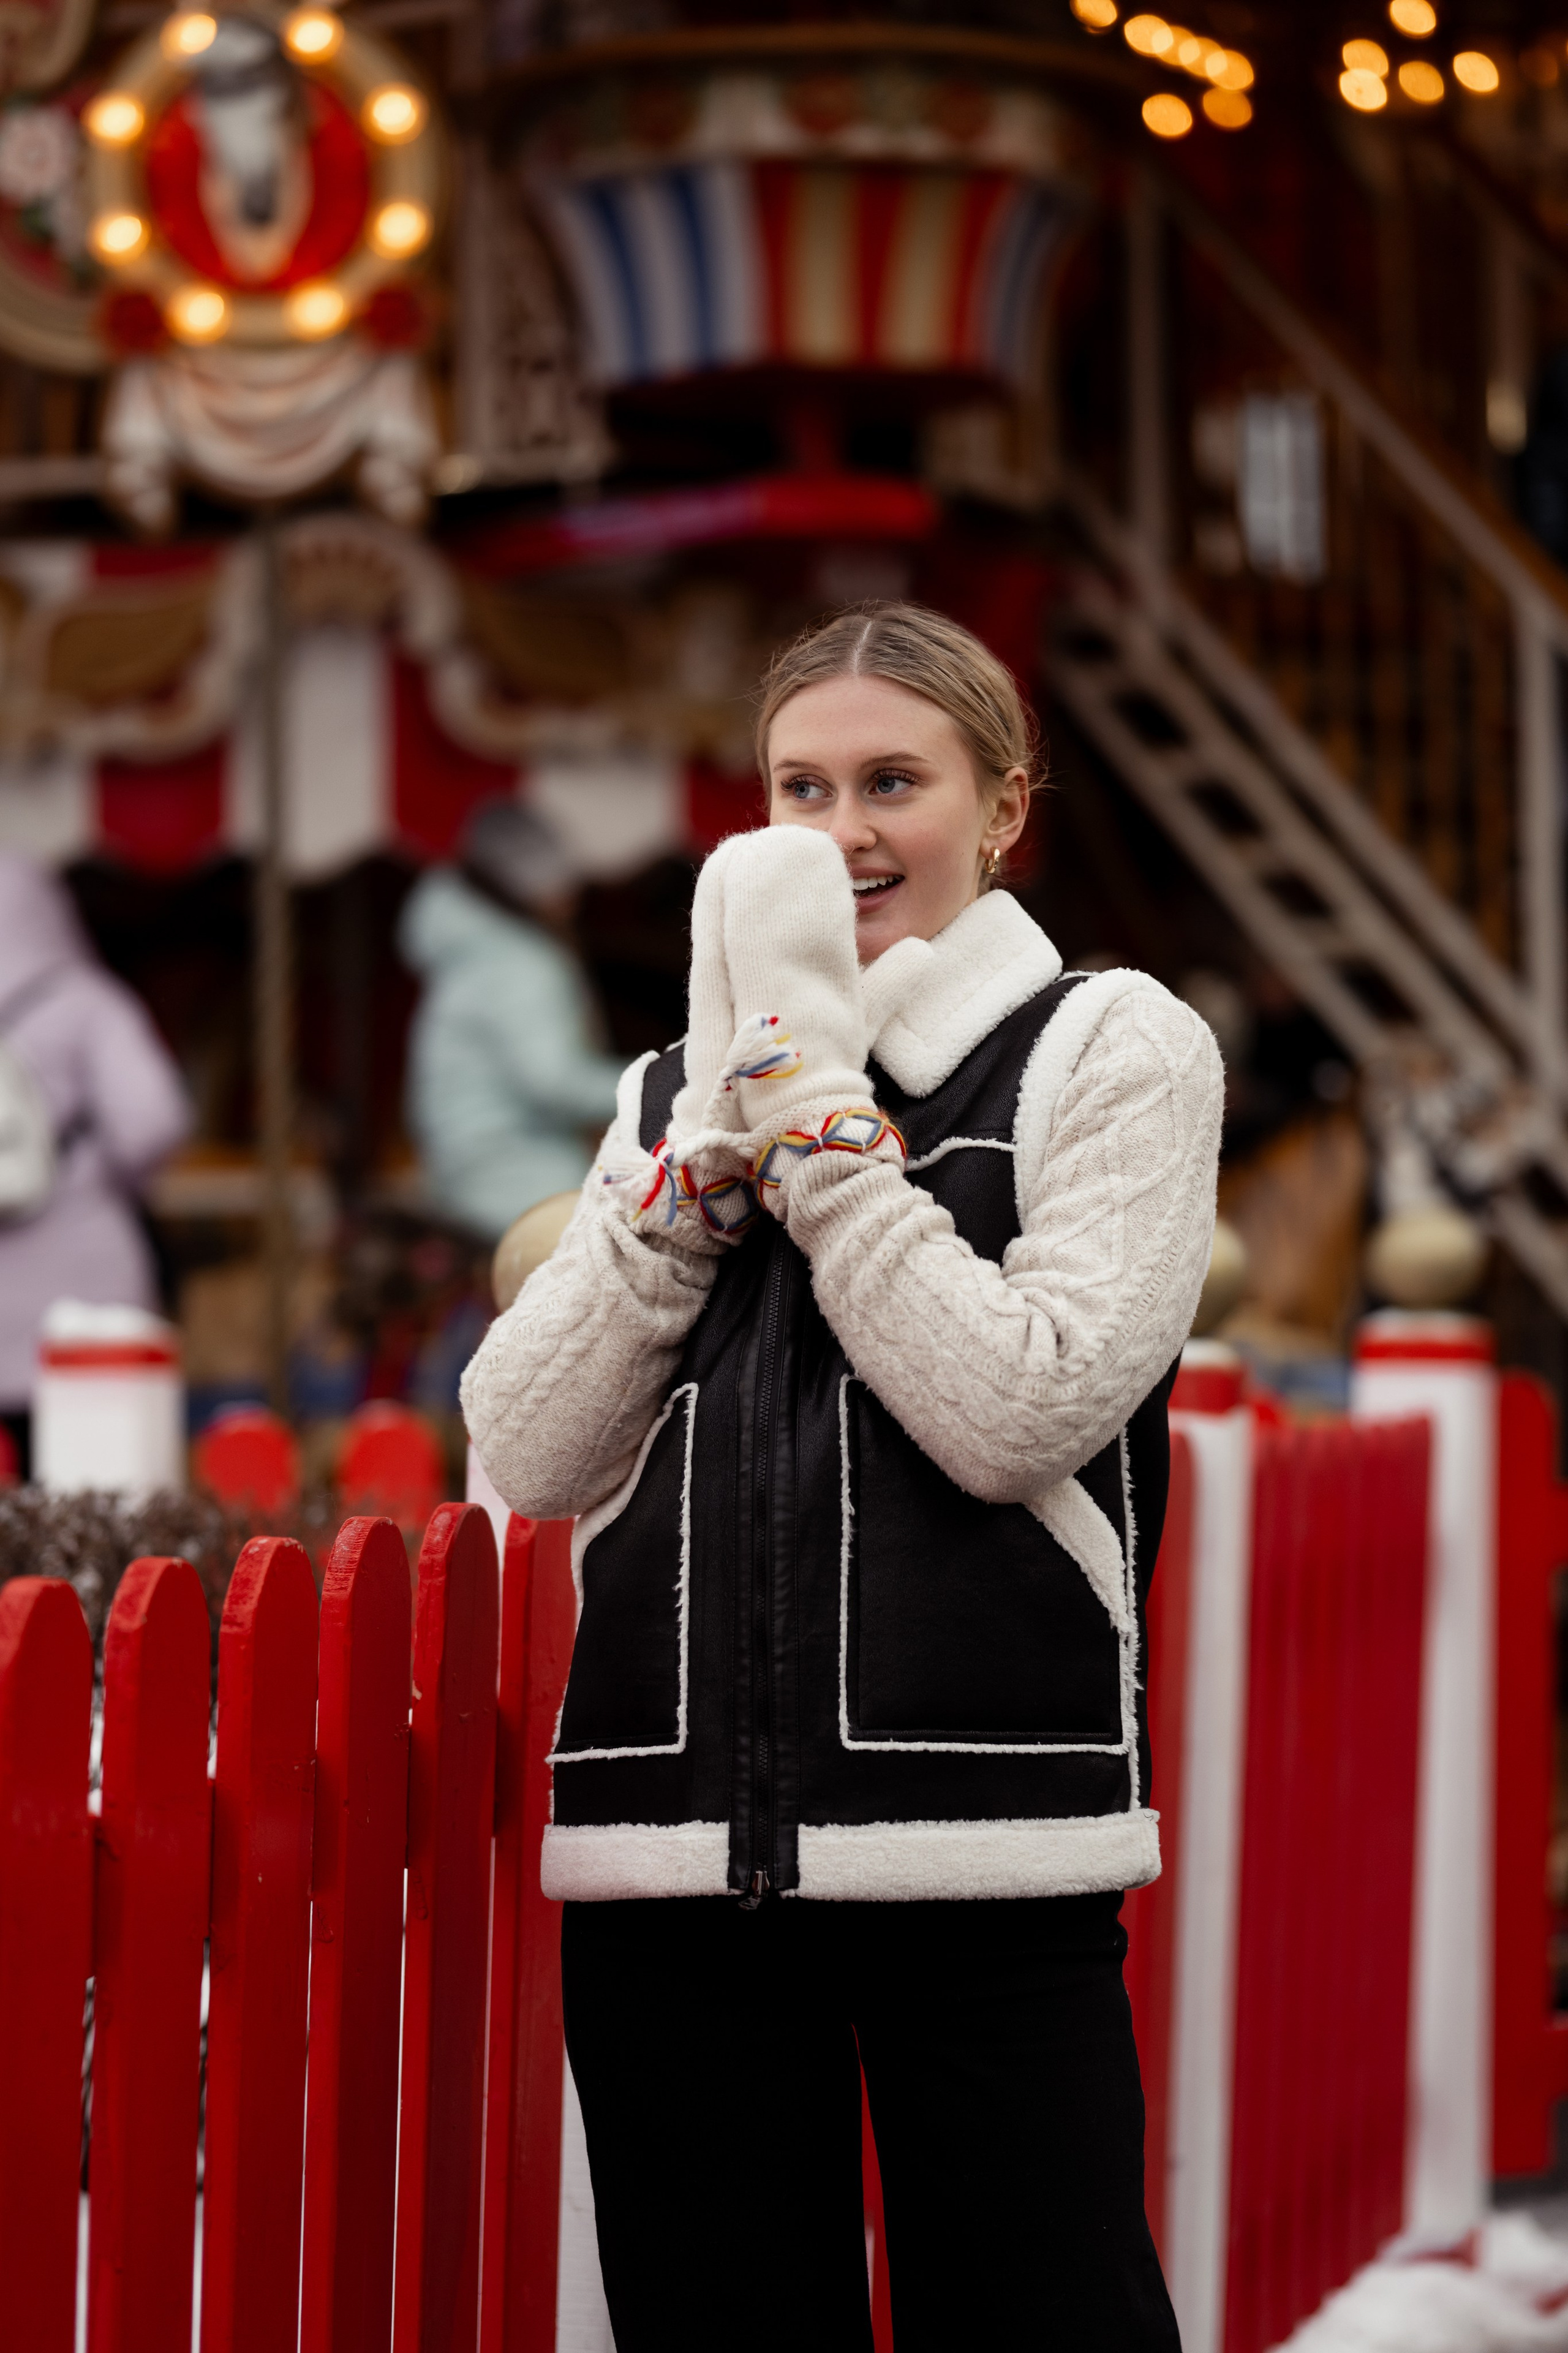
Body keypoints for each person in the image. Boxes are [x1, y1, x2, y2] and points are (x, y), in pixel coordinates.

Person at [462, 605, 1223, 2351]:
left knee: (1045, 2321)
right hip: (664, 1852)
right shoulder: (669, 1089)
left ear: (1004, 804)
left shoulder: (1115, 1046)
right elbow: (528, 1446)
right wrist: (691, 1202)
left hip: (987, 1837)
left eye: (897, 781)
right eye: (801, 786)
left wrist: (826, 1145)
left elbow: (1018, 1409)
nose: (844, 830)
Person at [0, 855, 190, 1478]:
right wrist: (95, 1178)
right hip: (88, 1289)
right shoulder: (87, 1002)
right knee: (95, 1491)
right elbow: (154, 1117)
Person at [399, 800, 624, 1242]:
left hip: (461, 1173)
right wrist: (665, 1079)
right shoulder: (521, 963)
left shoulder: (470, 952)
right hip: (524, 1182)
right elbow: (555, 1082)